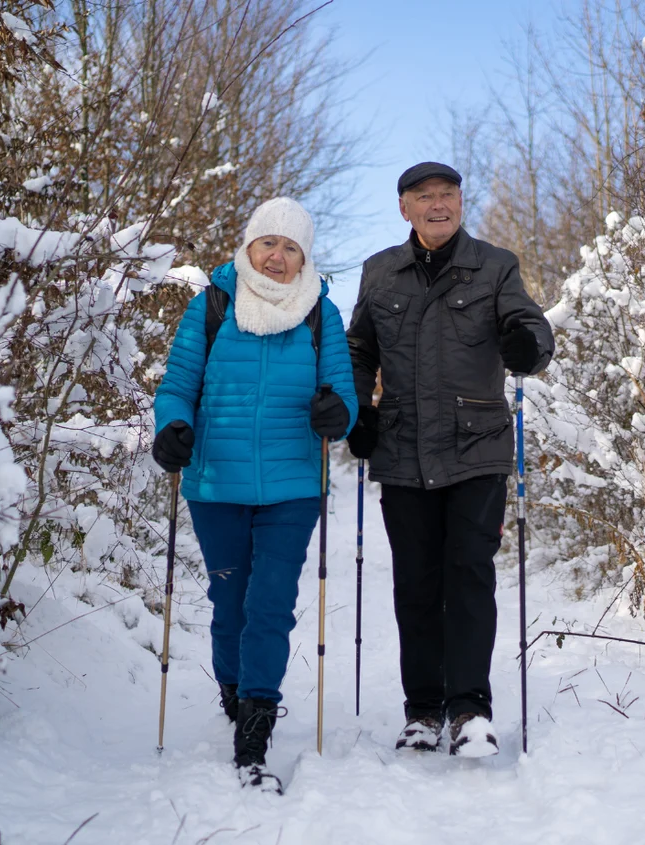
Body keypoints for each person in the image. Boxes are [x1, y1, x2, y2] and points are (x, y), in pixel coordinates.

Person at [344, 162, 553, 757]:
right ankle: (423, 711)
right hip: (403, 447)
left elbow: (529, 324)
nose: (439, 205)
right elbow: (359, 348)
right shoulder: (380, 272)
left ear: (461, 203)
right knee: (415, 583)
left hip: (476, 448)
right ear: (404, 209)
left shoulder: (495, 264)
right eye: (424, 197)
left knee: (467, 574)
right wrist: (360, 409)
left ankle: (470, 711)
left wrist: (528, 344)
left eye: (448, 195)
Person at [153, 197, 357, 793]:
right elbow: (177, 385)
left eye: (291, 248)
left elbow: (341, 395)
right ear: (248, 247)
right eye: (269, 243)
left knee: (270, 605)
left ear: (304, 259)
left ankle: (256, 725)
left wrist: (335, 412)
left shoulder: (322, 315)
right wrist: (172, 428)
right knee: (230, 605)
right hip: (217, 482)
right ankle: (233, 687)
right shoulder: (212, 305)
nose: (278, 256)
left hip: (293, 486)